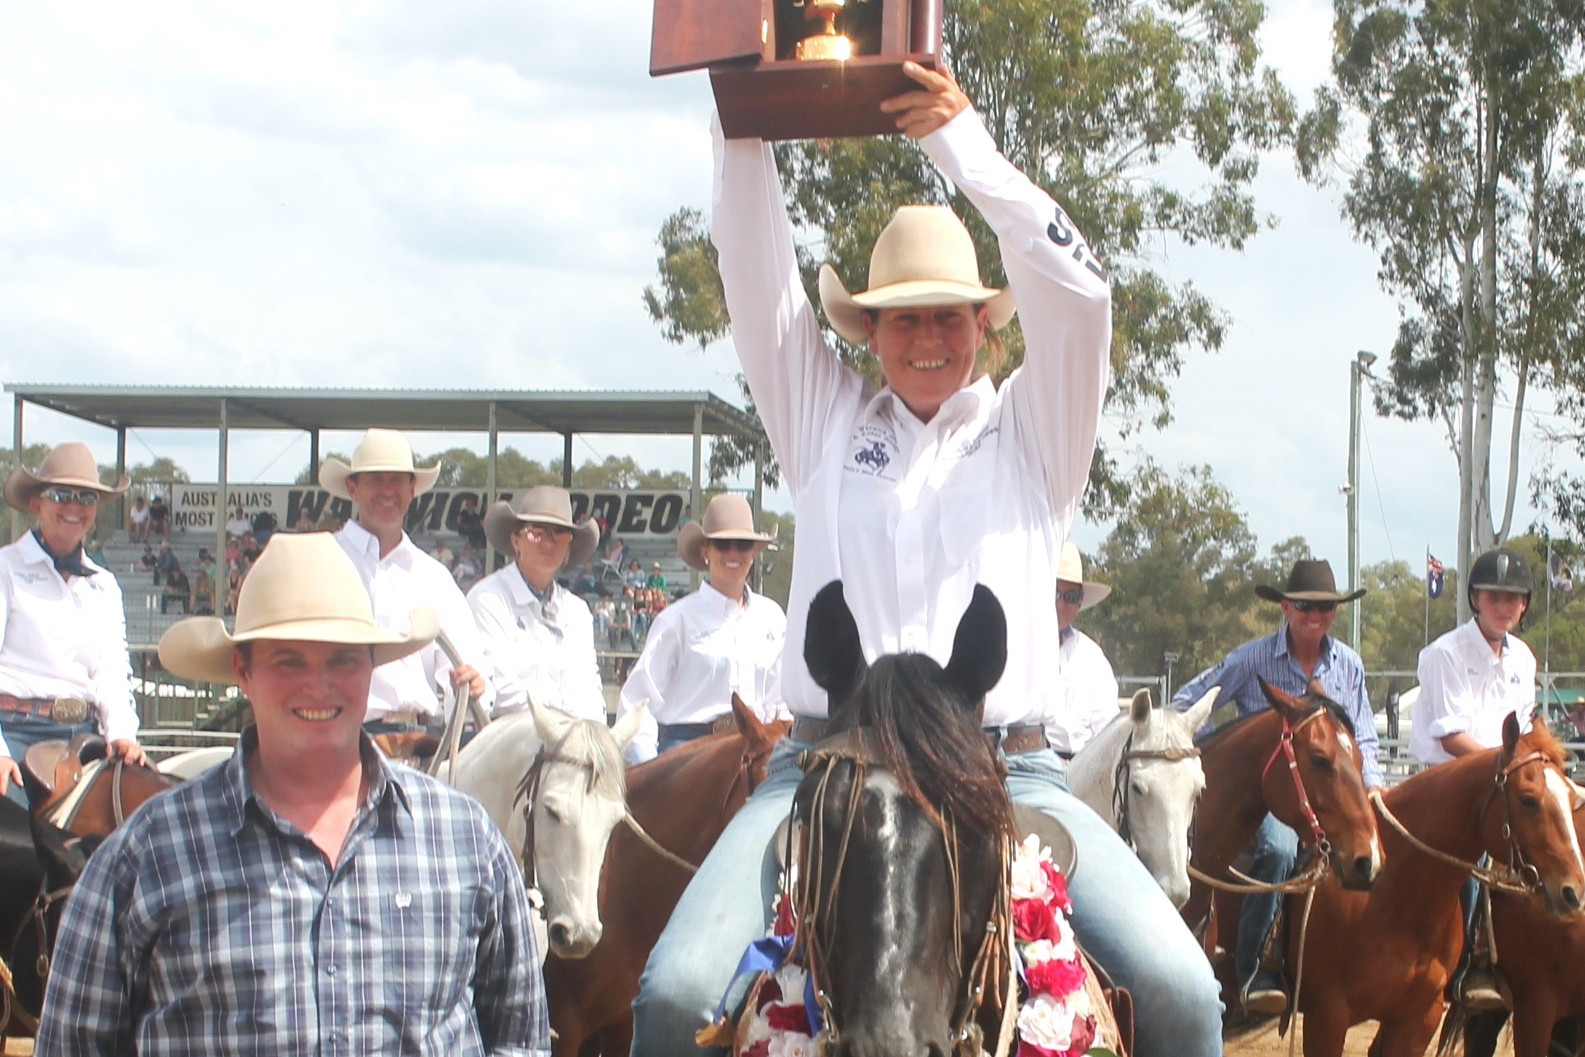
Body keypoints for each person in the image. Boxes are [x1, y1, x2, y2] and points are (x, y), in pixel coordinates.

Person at [632, 64, 1222, 1057]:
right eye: (902, 315)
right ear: (866, 330)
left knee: (1182, 993)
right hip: (822, 766)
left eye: (949, 312)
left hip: (1004, 768)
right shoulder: (819, 415)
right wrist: (744, 120)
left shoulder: (1036, 430)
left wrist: (962, 143)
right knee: (674, 991)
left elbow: (1080, 295)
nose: (928, 334)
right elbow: (751, 271)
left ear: (987, 323)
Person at [34, 533, 549, 1056]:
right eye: (289, 661)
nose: (319, 687)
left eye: (343, 660)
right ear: (244, 672)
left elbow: (520, 1042)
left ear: (372, 667)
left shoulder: (466, 840)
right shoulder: (146, 854)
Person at [1171, 558, 1382, 1016]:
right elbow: (1190, 700)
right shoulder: (1251, 659)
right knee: (1281, 849)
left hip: (1330, 792)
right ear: (1286, 607)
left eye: (1325, 608)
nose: (1315, 616)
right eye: (1305, 606)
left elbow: (1363, 734)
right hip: (1266, 798)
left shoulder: (1348, 664)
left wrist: (1373, 791)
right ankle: (1256, 969)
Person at [1410, 544, 1538, 1010]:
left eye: (1512, 598)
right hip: (1450, 784)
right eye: (1493, 597)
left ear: (1524, 605)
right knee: (1471, 858)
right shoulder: (1444, 653)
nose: (1503, 606)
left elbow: (1521, 731)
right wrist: (1504, 771)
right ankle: (1468, 965)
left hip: (1503, 781)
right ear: (1475, 600)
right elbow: (1450, 738)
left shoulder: (1523, 659)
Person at [0, 443, 149, 805]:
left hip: (84, 734)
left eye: (86, 497)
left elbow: (112, 670)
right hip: (16, 730)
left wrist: (122, 733)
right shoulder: (6, 567)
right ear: (37, 504)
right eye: (62, 495)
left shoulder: (104, 584)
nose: (74, 506)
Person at [320, 429, 493, 733]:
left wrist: (476, 685)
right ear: (352, 488)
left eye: (397, 479)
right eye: (376, 479)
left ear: (412, 488)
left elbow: (466, 665)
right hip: (338, 739)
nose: (388, 490)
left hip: (418, 739)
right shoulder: (321, 560)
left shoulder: (434, 577)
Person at [617, 494, 786, 764]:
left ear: (753, 553)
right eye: (722, 544)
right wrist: (651, 768)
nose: (733, 553)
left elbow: (780, 699)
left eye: (742, 545)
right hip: (689, 753)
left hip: (758, 751)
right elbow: (638, 701)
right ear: (705, 552)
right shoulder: (676, 619)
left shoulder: (772, 618)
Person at [467, 487, 605, 722]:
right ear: (516, 540)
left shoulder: (577, 610)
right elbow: (500, 689)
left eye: (560, 534)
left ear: (568, 548)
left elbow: (589, 688)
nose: (549, 543)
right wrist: (560, 720)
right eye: (536, 532)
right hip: (509, 739)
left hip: (571, 741)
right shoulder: (488, 598)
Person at [1047, 542, 1120, 757]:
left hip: (1084, 764)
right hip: (1029, 765)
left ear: (1079, 602)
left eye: (1070, 597)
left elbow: (1107, 728)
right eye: (1054, 593)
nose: (1060, 605)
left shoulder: (1092, 657)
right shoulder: (1015, 647)